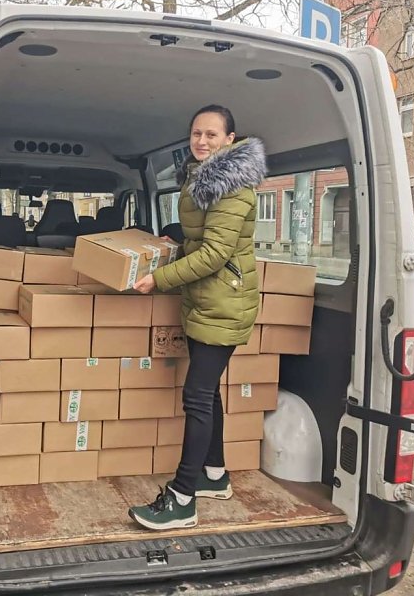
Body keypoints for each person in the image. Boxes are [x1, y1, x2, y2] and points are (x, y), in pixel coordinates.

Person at [129, 104, 266, 530]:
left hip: (223, 303)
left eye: (211, 134)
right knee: (208, 392)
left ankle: (183, 498)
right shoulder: (203, 178)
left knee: (197, 396)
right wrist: (173, 239)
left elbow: (215, 253)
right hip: (210, 300)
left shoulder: (233, 185)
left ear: (230, 139)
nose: (201, 141)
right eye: (195, 134)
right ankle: (214, 475)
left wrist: (159, 278)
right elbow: (201, 237)